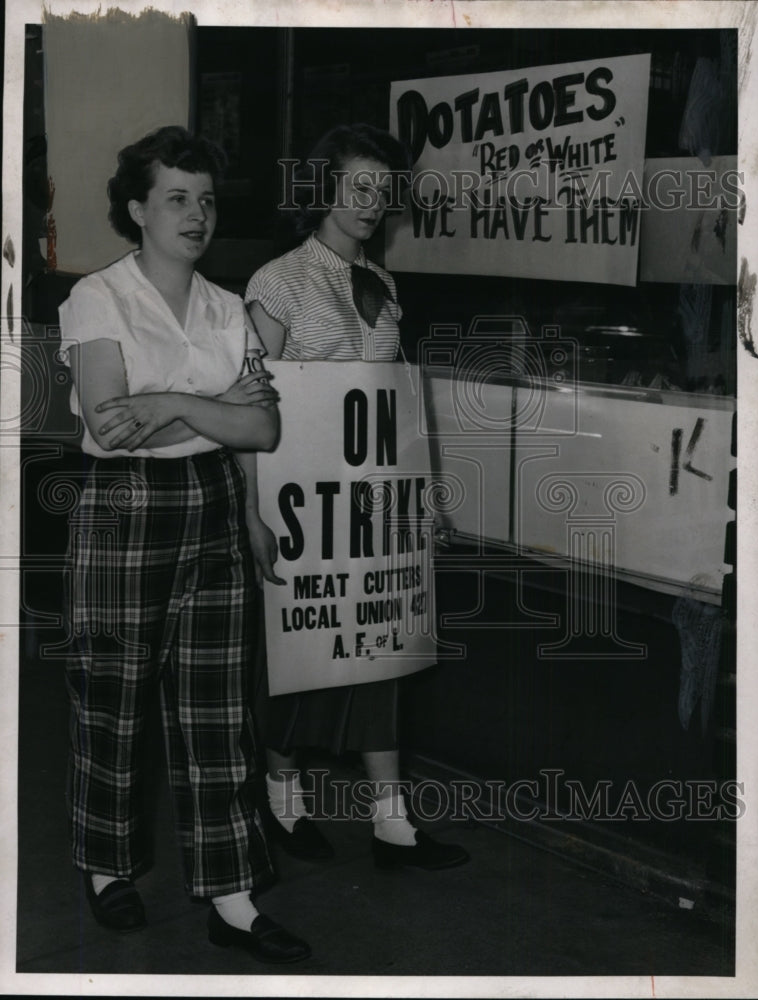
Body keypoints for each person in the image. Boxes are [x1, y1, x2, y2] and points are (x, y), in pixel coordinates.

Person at [59, 125, 310, 964]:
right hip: (126, 508)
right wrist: (205, 402)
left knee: (216, 709)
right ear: (137, 209)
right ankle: (108, 868)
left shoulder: (228, 305)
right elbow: (109, 422)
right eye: (176, 198)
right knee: (115, 696)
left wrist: (167, 401)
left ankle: (233, 896)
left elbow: (263, 425)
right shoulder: (99, 297)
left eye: (205, 200)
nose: (196, 214)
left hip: (214, 500)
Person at [244, 123, 469, 871]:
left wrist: (424, 496)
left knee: (382, 649)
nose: (373, 202)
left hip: (373, 508)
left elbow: (393, 402)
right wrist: (254, 509)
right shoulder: (278, 281)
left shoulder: (387, 282)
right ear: (323, 189)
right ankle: (282, 801)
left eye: (384, 188)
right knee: (295, 658)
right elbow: (250, 401)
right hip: (300, 503)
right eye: (358, 186)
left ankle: (391, 821)